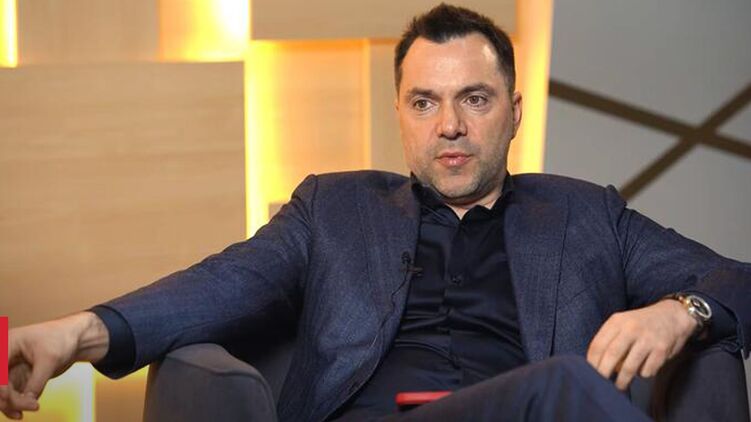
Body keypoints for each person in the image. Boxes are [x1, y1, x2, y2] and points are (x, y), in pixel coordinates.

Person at [2, 4, 750, 421]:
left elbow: (734, 278)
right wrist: (80, 331)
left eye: (474, 99)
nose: (448, 126)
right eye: (424, 102)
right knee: (568, 388)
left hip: (534, 409)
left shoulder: (585, 214)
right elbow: (223, 282)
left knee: (568, 388)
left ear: (514, 112)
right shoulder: (333, 209)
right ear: (400, 113)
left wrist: (682, 311)